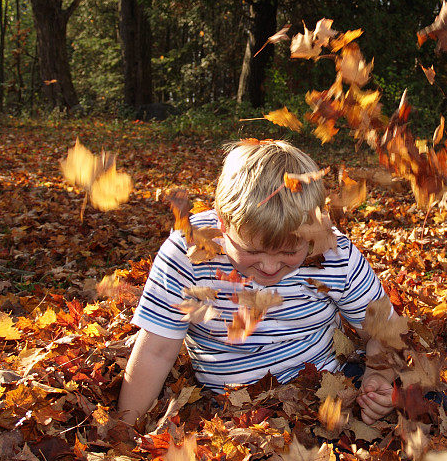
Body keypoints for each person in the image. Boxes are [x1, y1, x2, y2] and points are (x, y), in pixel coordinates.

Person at [118, 139, 394, 425]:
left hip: (325, 393)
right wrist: (124, 430)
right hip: (229, 407)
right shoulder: (189, 253)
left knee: (433, 403)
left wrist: (378, 376)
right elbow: (156, 350)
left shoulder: (334, 253)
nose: (270, 267)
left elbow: (383, 331)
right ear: (223, 226)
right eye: (251, 251)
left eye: (290, 252)